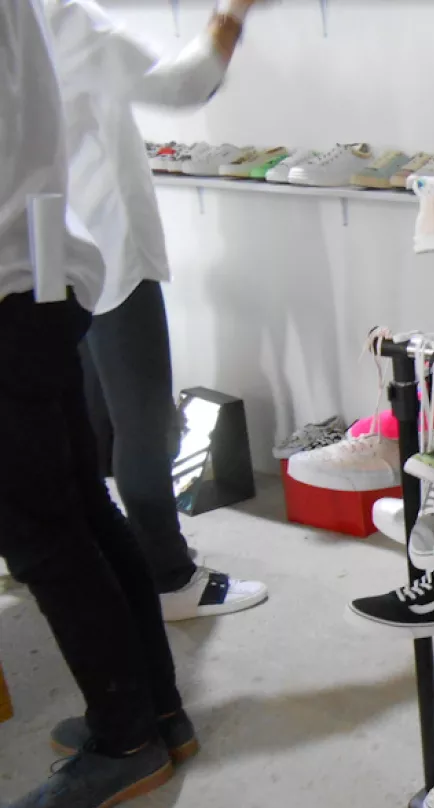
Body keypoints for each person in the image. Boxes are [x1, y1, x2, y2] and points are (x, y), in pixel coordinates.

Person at [0, 0, 191, 808]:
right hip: (48, 267)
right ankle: (155, 710)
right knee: (84, 508)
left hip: (27, 275)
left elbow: (184, 82)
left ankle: (126, 738)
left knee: (49, 535)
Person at [45, 0, 268, 621]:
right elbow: (182, 84)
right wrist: (232, 12)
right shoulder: (60, 16)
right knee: (143, 425)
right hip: (108, 247)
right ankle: (169, 578)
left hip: (48, 252)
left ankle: (104, 556)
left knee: (86, 418)